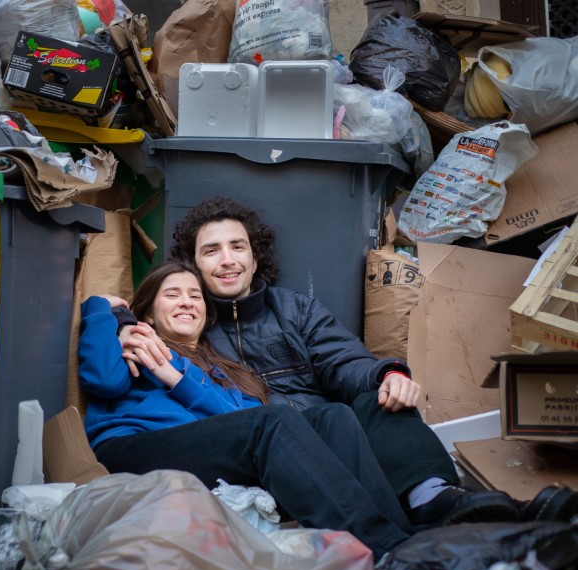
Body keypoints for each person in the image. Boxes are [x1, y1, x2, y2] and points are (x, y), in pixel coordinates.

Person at [117, 196, 522, 531]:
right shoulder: (187, 318)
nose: (227, 260)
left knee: (379, 398)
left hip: (329, 430)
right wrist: (117, 319)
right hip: (262, 451)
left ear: (255, 259)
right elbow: (130, 316)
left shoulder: (293, 308)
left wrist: (389, 373)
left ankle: (434, 498)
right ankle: (407, 535)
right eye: (211, 251)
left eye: (238, 247)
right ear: (193, 265)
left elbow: (343, 361)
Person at [78, 259, 413, 560]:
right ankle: (385, 549)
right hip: (133, 449)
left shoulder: (222, 370)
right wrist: (103, 310)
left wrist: (176, 378)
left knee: (333, 416)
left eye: (195, 296)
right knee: (271, 422)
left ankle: (407, 541)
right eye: (173, 294)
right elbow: (104, 382)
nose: (186, 302)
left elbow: (242, 418)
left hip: (199, 456)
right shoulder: (136, 342)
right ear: (149, 313)